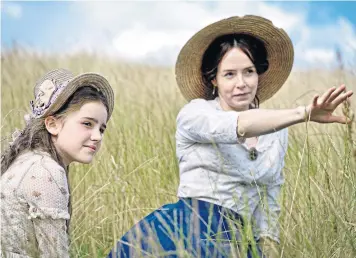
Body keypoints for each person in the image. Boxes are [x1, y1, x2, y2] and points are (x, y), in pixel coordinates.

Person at [107, 15, 353, 258]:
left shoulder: (277, 130)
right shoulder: (195, 113)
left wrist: (267, 245)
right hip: (190, 225)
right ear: (213, 78)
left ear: (259, 74)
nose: (241, 83)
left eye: (249, 71)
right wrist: (304, 113)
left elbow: (270, 196)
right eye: (229, 74)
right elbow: (239, 126)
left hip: (239, 237)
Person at [1, 69, 115, 258]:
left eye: (102, 129)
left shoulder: (30, 157)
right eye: (87, 124)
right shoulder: (46, 171)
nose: (97, 137)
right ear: (52, 124)